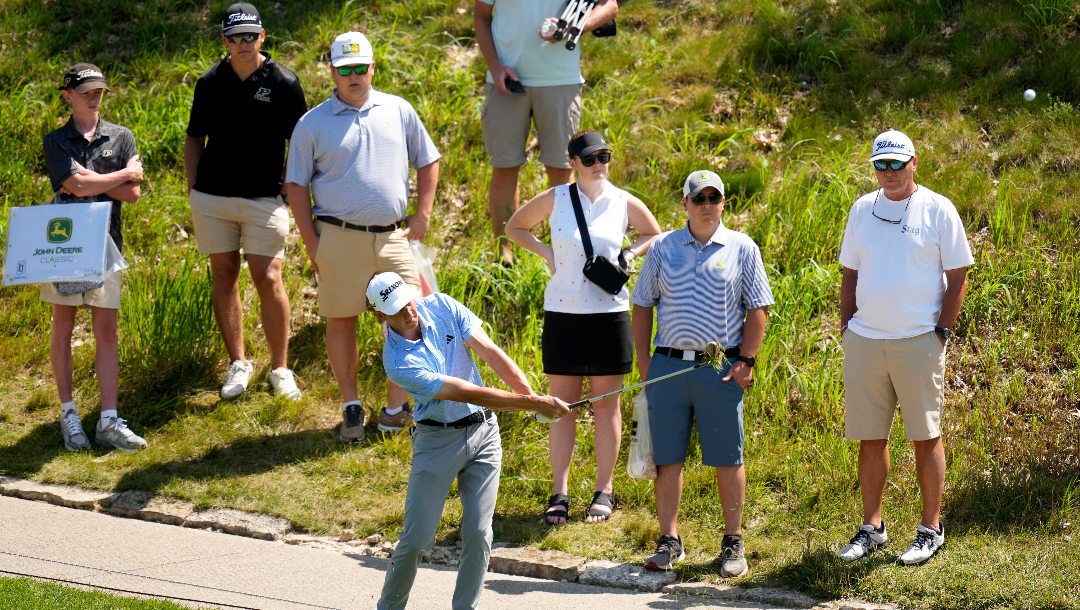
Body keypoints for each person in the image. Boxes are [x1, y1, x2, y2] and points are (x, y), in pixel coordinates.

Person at [367, 272, 569, 610]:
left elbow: (490, 352)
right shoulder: (399, 362)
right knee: (417, 540)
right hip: (436, 441)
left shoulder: (442, 305)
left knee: (478, 532)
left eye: (407, 301)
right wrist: (531, 404)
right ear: (379, 315)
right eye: (396, 309)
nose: (408, 311)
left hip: (483, 434)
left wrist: (532, 397)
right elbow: (468, 391)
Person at [285, 31, 441, 441]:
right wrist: (311, 242)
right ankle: (351, 407)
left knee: (410, 317)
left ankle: (395, 408)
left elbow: (429, 160)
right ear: (332, 72)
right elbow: (296, 186)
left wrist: (422, 213)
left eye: (360, 68)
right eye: (344, 69)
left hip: (393, 237)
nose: (353, 76)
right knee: (342, 320)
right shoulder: (311, 123)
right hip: (338, 235)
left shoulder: (398, 109)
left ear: (373, 68)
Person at [506, 130, 659, 525]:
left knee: (608, 406)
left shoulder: (621, 200)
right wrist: (547, 254)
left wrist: (628, 253)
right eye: (589, 159)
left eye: (604, 157)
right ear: (572, 162)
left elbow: (653, 233)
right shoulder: (557, 198)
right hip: (563, 314)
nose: (598, 165)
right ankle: (560, 491)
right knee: (562, 408)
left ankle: (604, 491)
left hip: (609, 315)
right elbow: (515, 227)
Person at [835, 130, 973, 566]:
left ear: (914, 163)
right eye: (881, 165)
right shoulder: (861, 209)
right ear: (874, 166)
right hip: (866, 342)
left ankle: (931, 529)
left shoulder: (937, 208)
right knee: (870, 438)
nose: (889, 173)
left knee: (925, 437)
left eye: (897, 164)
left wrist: (942, 331)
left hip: (919, 342)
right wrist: (847, 328)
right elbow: (850, 275)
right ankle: (871, 528)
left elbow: (958, 273)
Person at [631, 170, 773, 576]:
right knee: (668, 458)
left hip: (720, 367)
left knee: (728, 456)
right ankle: (669, 539)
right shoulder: (663, 248)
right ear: (685, 203)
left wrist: (746, 360)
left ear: (723, 203)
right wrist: (646, 364)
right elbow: (642, 305)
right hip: (669, 366)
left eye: (715, 197)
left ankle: (732, 542)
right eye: (700, 198)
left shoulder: (742, 247)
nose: (708, 204)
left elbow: (758, 308)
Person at [184, 2, 307, 401]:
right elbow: (194, 138)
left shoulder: (285, 82)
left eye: (250, 36)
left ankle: (280, 368)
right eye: (235, 37)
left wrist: (290, 184)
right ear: (223, 39)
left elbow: (301, 141)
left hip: (264, 198)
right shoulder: (209, 82)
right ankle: (238, 362)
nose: (243, 44)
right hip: (213, 198)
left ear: (262, 36)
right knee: (224, 275)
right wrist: (193, 187)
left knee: (268, 276)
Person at [42, 63, 147, 452]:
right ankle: (68, 414)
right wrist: (119, 177)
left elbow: (133, 196)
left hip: (107, 244)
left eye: (99, 89)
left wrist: (92, 182)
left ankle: (108, 419)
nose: (93, 95)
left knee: (107, 331)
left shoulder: (121, 137)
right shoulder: (56, 140)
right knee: (63, 327)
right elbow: (74, 184)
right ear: (67, 94)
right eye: (85, 90)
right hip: (64, 244)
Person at [474, 0, 618, 265]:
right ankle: (504, 255)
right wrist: (495, 68)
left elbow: (609, 6)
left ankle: (563, 254)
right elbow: (481, 16)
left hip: (560, 80)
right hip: (506, 80)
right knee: (505, 166)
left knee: (562, 170)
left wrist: (574, 26)